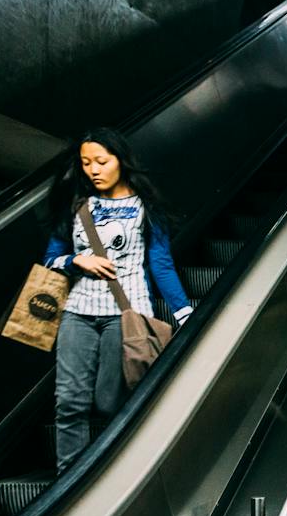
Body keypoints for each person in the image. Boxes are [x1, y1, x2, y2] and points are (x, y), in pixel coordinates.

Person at [40, 127, 192, 475]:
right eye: (86, 163)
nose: (93, 169)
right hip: (77, 312)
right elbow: (51, 257)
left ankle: (111, 472)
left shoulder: (144, 206)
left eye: (101, 161)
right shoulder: (76, 204)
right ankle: (70, 478)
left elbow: (161, 263)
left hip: (127, 313)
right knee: (69, 403)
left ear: (120, 161)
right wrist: (75, 261)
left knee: (110, 402)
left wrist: (185, 313)